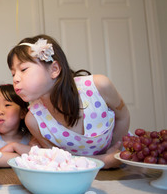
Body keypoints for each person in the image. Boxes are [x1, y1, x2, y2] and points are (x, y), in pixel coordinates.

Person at [7, 35, 130, 169]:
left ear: (54, 69)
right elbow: (62, 159)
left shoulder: (99, 86)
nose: (15, 79)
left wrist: (115, 150)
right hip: (78, 173)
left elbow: (123, 117)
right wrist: (105, 161)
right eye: (13, 73)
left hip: (123, 162)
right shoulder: (33, 120)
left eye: (23, 69)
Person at [0, 84, 35, 167]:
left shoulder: (30, 137)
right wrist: (16, 149)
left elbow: (39, 156)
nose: (0, 111)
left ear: (22, 113)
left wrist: (15, 146)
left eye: (7, 105)